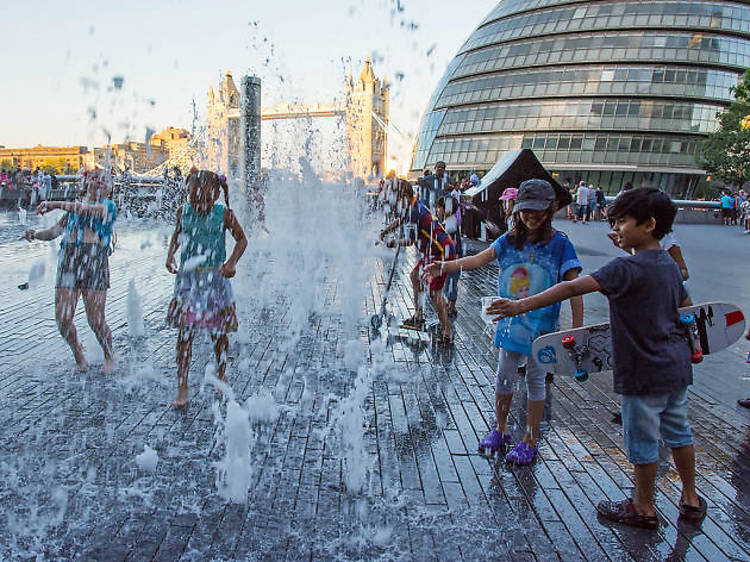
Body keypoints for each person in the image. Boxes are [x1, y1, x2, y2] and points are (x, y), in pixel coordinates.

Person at [488, 187, 705, 528]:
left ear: (648, 225)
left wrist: (519, 305)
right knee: (679, 432)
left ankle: (643, 507)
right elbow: (687, 310)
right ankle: (691, 499)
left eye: (621, 222)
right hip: (675, 368)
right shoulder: (669, 266)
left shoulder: (623, 269)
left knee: (642, 438)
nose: (615, 229)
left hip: (641, 372)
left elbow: (571, 288)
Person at [425, 179, 583, 465]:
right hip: (510, 323)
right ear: (517, 210)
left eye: (539, 211)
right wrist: (445, 266)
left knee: (536, 382)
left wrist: (578, 329)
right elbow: (478, 260)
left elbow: (575, 287)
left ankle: (530, 440)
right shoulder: (509, 240)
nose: (532, 216)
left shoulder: (561, 245)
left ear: (550, 211)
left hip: (542, 329)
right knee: (504, 376)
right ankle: (501, 429)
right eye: (526, 211)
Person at [20, 169, 118, 374]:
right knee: (62, 318)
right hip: (69, 260)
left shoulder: (108, 206)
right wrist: (35, 234)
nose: (99, 182)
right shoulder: (74, 209)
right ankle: (78, 352)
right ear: (86, 183)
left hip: (94, 259)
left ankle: (109, 356)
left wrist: (54, 204)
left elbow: (87, 211)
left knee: (96, 320)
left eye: (104, 180)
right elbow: (54, 232)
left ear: (110, 188)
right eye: (94, 179)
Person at [165, 170, 247, 408]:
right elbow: (177, 234)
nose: (201, 204)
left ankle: (222, 372)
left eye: (207, 200)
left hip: (215, 280)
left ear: (217, 195)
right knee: (184, 334)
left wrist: (231, 262)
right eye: (195, 199)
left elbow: (242, 240)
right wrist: (170, 255)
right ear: (187, 194)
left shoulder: (224, 215)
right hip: (188, 281)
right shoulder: (183, 212)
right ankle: (182, 385)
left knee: (218, 334)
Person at [379, 182, 456, 344]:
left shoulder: (414, 210)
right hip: (431, 251)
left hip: (441, 251)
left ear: (404, 196)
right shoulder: (411, 207)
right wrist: (387, 230)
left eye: (396, 197)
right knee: (415, 276)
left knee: (435, 292)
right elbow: (400, 220)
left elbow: (410, 240)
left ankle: (447, 332)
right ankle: (419, 316)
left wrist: (394, 242)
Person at [436, 196, 462, 317]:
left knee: (450, 282)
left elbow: (451, 243)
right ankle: (450, 305)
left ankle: (451, 306)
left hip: (453, 259)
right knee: (450, 282)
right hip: (453, 259)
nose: (438, 210)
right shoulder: (449, 221)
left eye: (440, 207)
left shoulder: (450, 224)